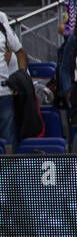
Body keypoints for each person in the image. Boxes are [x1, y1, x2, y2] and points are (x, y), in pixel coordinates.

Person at [0, 9, 30, 152]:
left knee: (9, 140)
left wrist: (21, 78)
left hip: (3, 93)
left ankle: (10, 172)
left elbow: (20, 52)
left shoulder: (1, 24)